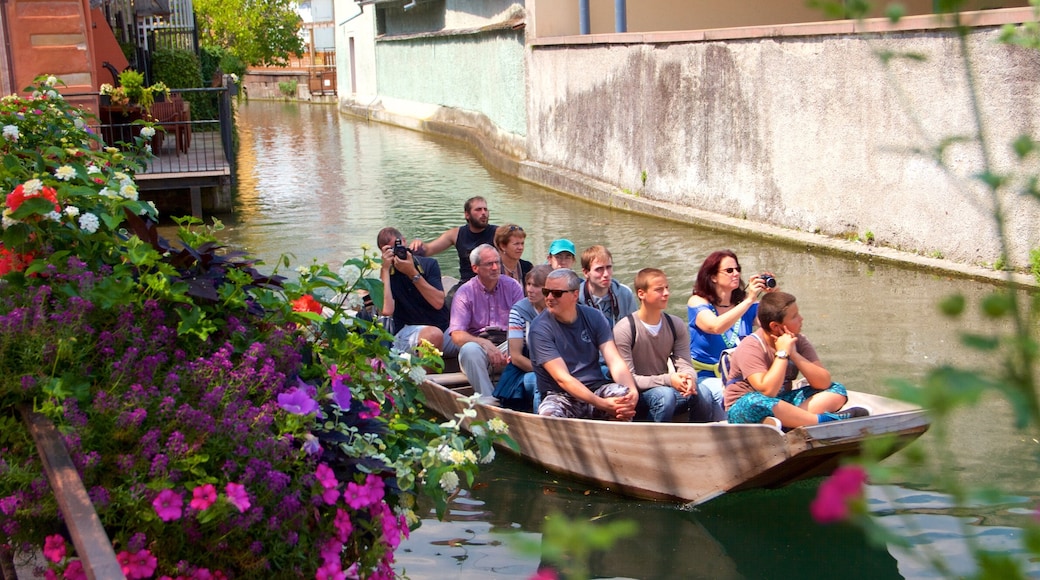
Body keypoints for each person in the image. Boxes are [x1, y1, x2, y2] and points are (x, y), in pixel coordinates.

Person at [725, 291, 869, 428]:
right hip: (746, 409)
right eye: (794, 316)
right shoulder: (751, 346)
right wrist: (782, 353)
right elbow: (767, 392)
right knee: (755, 402)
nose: (801, 319)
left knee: (836, 389)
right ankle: (821, 421)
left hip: (782, 404)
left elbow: (823, 382)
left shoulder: (798, 340)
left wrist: (793, 353)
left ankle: (790, 422)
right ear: (775, 326)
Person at [613, 268, 723, 423]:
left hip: (665, 390)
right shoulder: (625, 329)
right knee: (664, 396)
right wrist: (669, 380)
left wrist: (689, 379)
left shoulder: (675, 324)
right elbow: (628, 380)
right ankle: (652, 442)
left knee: (702, 392)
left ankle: (699, 439)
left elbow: (685, 364)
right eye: (659, 289)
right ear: (641, 294)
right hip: (638, 395)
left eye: (667, 288)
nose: (666, 293)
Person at [530, 269, 638, 420]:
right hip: (560, 396)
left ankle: (617, 441)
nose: (549, 298)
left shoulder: (594, 317)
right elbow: (563, 379)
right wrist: (604, 404)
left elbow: (614, 361)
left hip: (595, 388)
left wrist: (632, 391)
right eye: (546, 291)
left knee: (623, 398)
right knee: (550, 415)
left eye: (556, 293)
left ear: (575, 295)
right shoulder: (539, 329)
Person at [687, 250, 770, 409]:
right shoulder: (697, 302)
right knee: (734, 397)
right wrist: (749, 300)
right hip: (708, 377)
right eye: (729, 270)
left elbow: (774, 324)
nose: (736, 274)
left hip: (743, 375)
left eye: (738, 269)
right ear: (713, 277)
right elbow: (715, 326)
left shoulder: (745, 303)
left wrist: (774, 296)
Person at [448, 244, 524, 397]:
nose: (495, 267)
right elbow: (456, 335)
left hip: (508, 344)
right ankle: (489, 400)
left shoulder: (512, 286)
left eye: (498, 262)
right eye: (489, 264)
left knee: (530, 342)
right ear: (475, 268)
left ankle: (523, 395)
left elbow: (521, 323)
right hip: (479, 348)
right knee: (469, 350)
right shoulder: (465, 292)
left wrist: (511, 346)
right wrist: (484, 343)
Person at [376, 227, 458, 356]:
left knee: (476, 339)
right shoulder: (387, 274)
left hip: (442, 327)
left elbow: (438, 303)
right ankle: (424, 377)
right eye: (390, 250)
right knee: (433, 335)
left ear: (404, 241)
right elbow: (386, 311)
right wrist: (385, 271)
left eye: (398, 246)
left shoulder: (428, 264)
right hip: (407, 331)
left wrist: (412, 273)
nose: (397, 252)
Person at [493, 264, 552, 412]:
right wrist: (550, 373)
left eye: (536, 286)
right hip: (524, 370)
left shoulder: (558, 308)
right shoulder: (519, 311)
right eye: (528, 284)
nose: (530, 290)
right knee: (542, 382)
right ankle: (540, 422)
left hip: (559, 367)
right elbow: (516, 357)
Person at [409, 196, 497, 281]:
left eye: (485, 209)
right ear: (467, 215)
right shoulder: (455, 234)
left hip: (493, 283)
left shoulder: (498, 233)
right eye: (478, 209)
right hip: (466, 284)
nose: (483, 213)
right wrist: (418, 244)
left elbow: (510, 235)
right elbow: (428, 250)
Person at [577, 245, 638, 326]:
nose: (606, 274)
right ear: (585, 273)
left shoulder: (625, 293)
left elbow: (636, 327)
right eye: (599, 269)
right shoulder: (576, 298)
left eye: (608, 267)